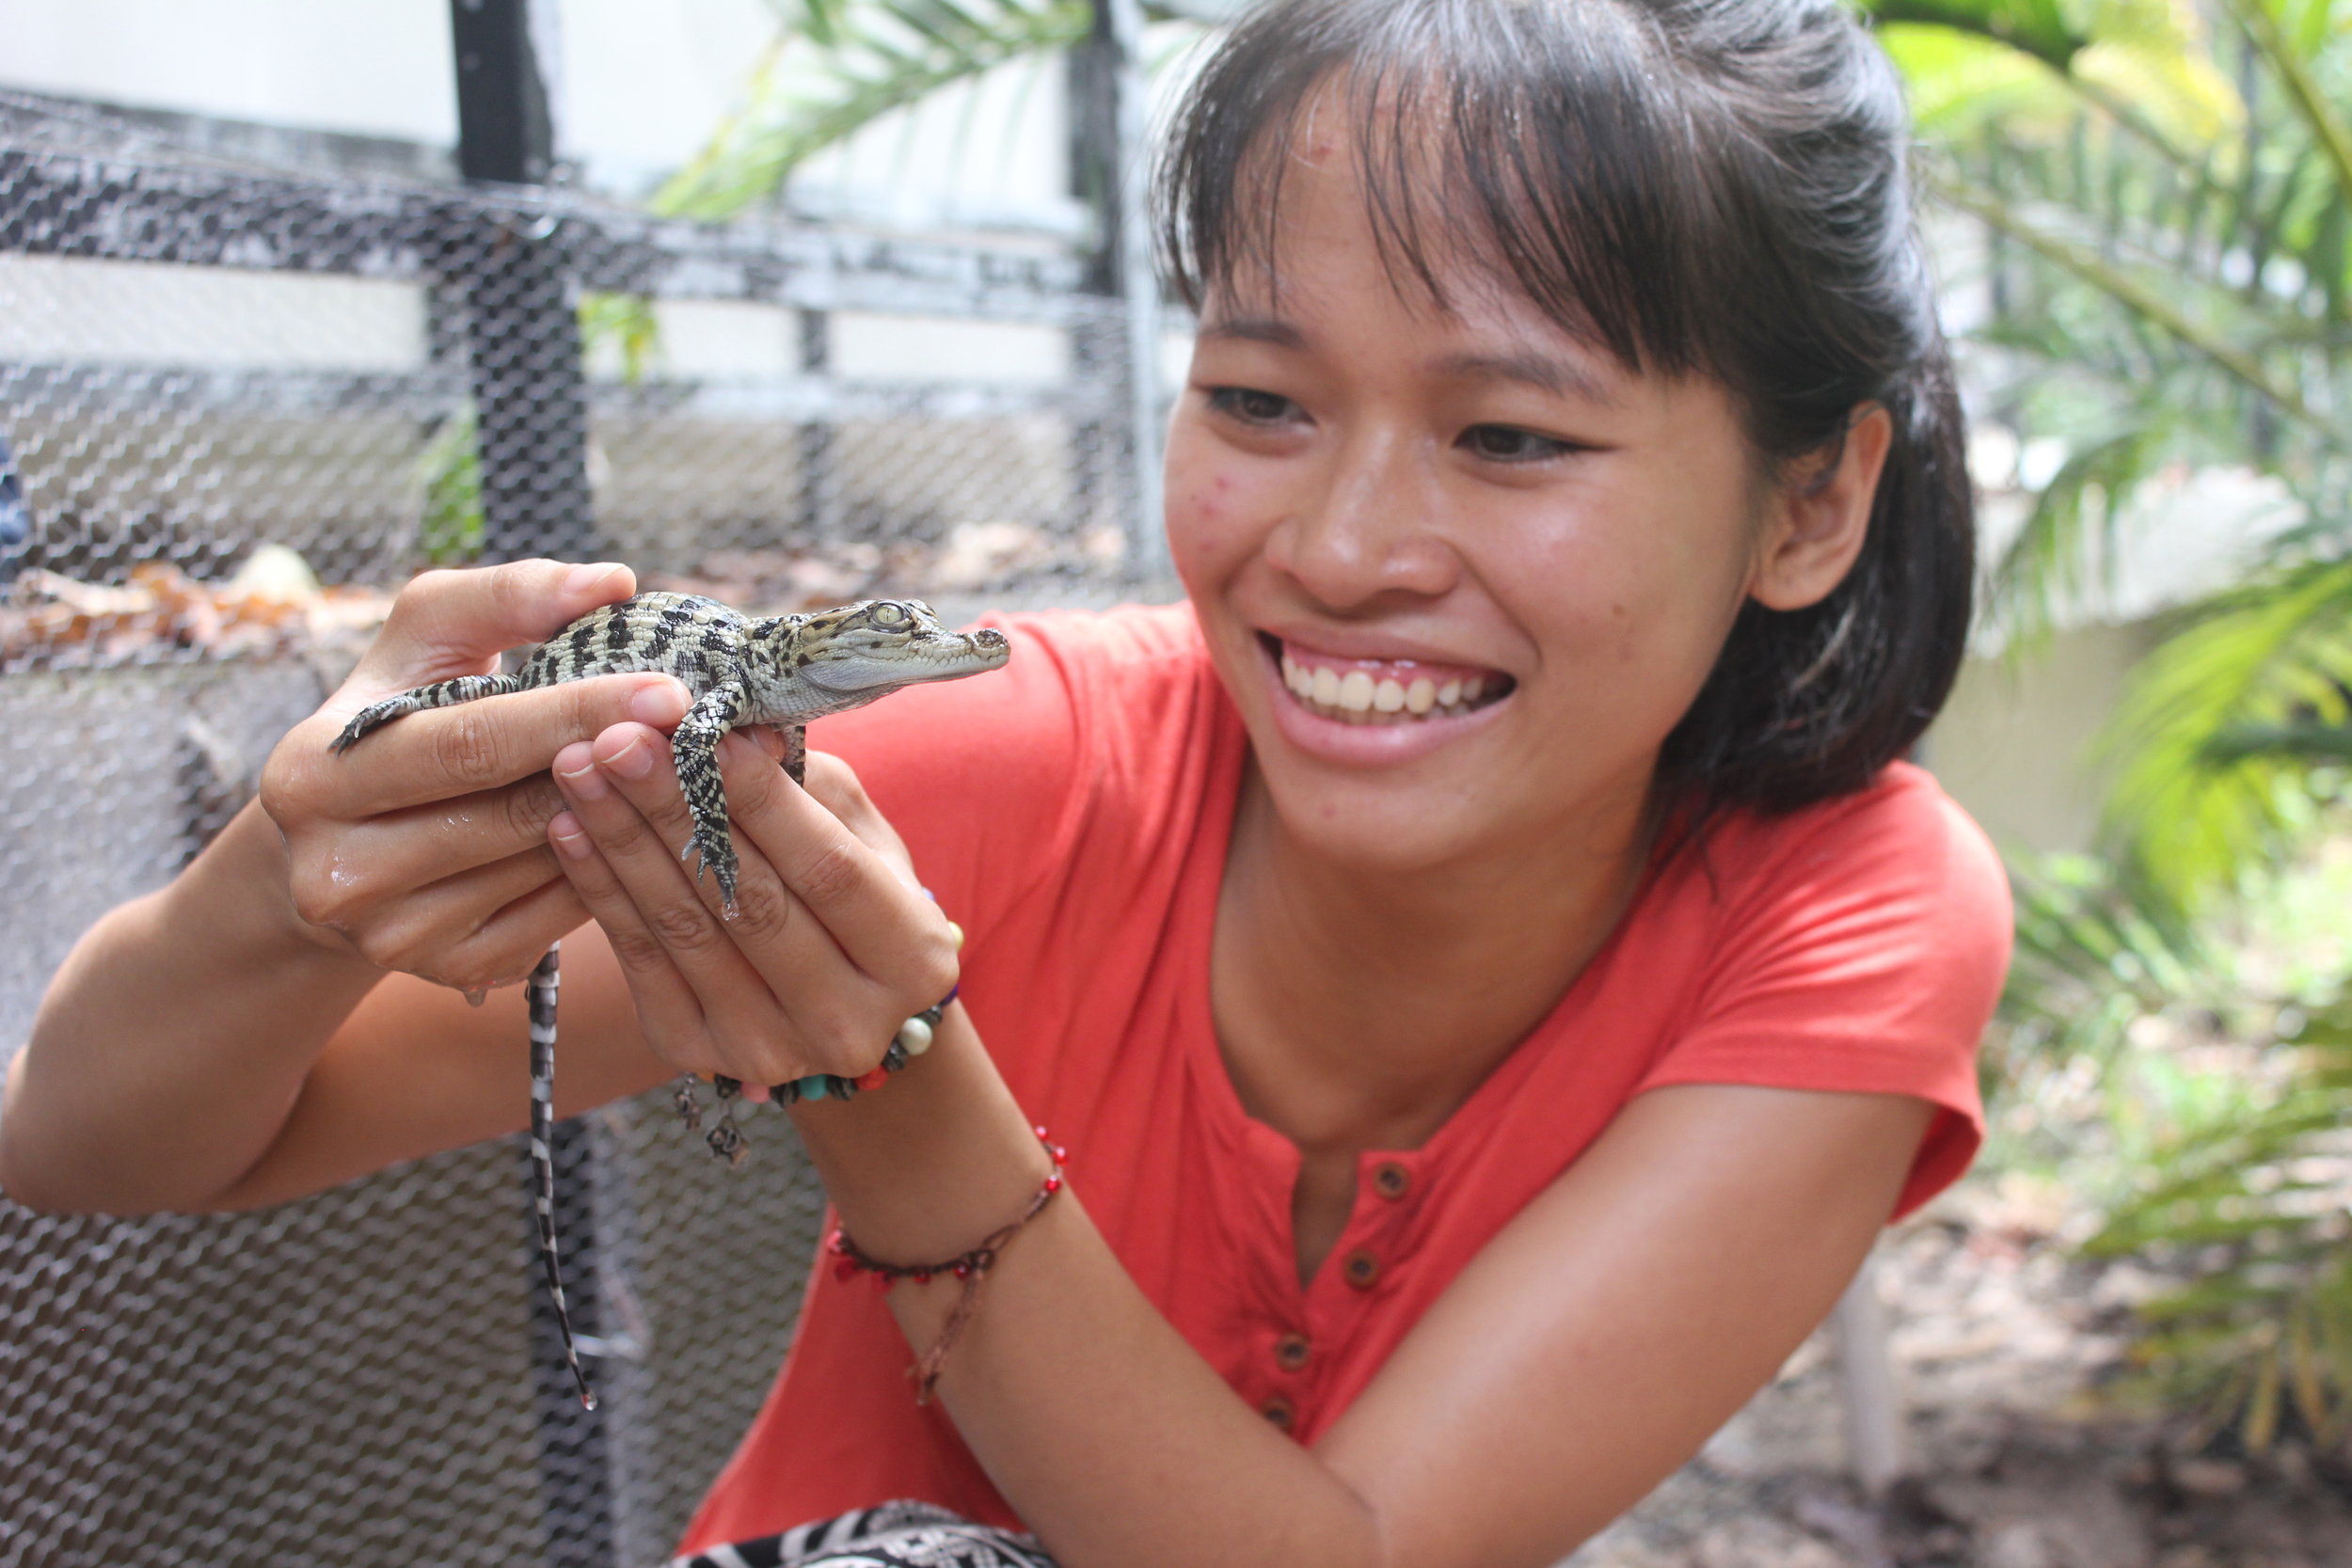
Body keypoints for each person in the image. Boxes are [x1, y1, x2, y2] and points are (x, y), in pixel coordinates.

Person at [0, 1, 2011, 1563]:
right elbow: (94, 1141)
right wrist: (281, 885)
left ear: (1810, 497)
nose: (1338, 544)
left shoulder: (1854, 913)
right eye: (1255, 400)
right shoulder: (979, 760)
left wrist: (882, 1086)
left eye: (1509, 436)